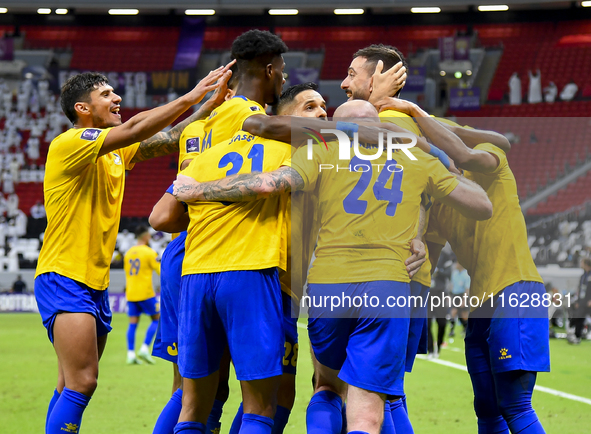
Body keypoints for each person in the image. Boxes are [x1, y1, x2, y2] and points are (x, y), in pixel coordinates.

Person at [173, 99, 493, 434]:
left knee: (326, 387)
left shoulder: (320, 153)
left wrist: (198, 190)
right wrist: (442, 167)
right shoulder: (417, 160)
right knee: (368, 413)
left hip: (329, 285)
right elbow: (481, 205)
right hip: (387, 287)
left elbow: (267, 184)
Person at [33, 64, 232, 434]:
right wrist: (192, 95)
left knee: (68, 385)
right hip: (64, 274)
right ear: (83, 108)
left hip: (93, 282)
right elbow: (136, 129)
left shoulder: (112, 154)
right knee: (83, 382)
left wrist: (209, 107)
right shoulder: (70, 143)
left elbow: (170, 137)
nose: (117, 98)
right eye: (106, 94)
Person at [123, 226, 161, 365]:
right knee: (157, 319)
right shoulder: (149, 252)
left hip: (131, 293)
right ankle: (145, 348)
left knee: (133, 323)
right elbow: (160, 271)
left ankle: (130, 354)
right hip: (146, 293)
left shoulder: (128, 253)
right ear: (146, 237)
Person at [569, 257, 591, 344]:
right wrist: (578, 301)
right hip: (582, 300)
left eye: (582, 262)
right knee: (579, 318)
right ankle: (577, 336)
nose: (581, 264)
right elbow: (580, 289)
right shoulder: (583, 276)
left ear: (586, 264)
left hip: (589, 300)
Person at [449, 261, 470, 337]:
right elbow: (452, 285)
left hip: (462, 295)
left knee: (463, 315)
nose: (456, 265)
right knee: (453, 312)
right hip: (455, 295)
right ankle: (451, 331)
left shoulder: (466, 274)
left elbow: (467, 289)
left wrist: (464, 300)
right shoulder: (454, 273)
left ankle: (466, 330)